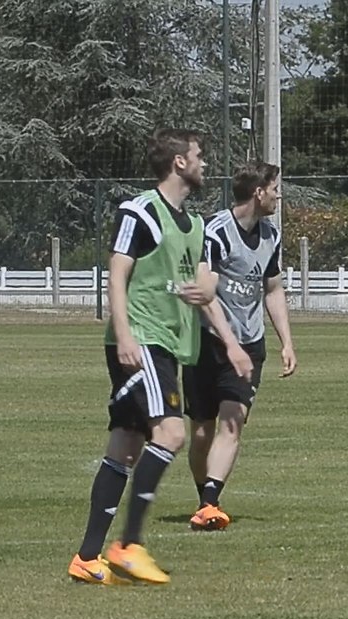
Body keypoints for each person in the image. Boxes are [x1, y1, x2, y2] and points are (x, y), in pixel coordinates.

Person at [67, 128, 214, 585]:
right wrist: (126, 334)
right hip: (143, 340)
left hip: (171, 344)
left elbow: (207, 280)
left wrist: (209, 288)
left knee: (125, 446)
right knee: (171, 433)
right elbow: (117, 270)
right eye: (199, 156)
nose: (205, 163)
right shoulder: (141, 211)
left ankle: (87, 558)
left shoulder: (195, 224)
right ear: (179, 163)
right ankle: (129, 546)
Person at [182, 160, 297, 531]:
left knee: (233, 421)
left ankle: (210, 501)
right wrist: (227, 341)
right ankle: (204, 497)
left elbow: (273, 290)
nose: (279, 195)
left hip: (249, 344)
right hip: (207, 342)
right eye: (275, 188)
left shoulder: (271, 236)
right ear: (258, 191)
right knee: (201, 430)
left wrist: (287, 343)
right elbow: (206, 293)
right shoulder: (215, 231)